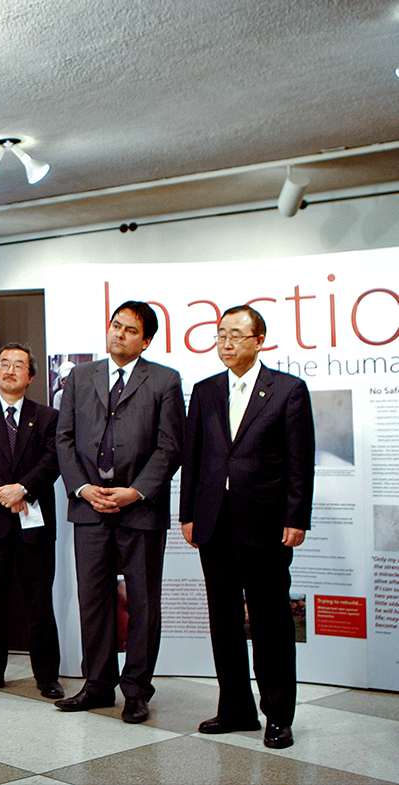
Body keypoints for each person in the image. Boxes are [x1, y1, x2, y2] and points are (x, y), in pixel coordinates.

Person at [180, 305, 314, 750]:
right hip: (213, 522)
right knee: (223, 619)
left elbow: (300, 462)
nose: (226, 342)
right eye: (221, 334)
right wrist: (187, 514)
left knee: (271, 621)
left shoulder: (288, 390)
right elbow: (193, 458)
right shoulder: (205, 390)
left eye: (236, 335)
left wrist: (296, 517)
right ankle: (235, 708)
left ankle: (278, 715)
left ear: (259, 341)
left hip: (266, 523)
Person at [55, 301, 184, 724]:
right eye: (115, 325)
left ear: (146, 341)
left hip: (140, 509)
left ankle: (136, 692)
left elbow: (170, 446)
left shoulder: (165, 380)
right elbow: (64, 439)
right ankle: (97, 686)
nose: (119, 334)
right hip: (89, 506)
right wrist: (82, 487)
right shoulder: (80, 377)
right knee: (93, 599)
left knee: (143, 603)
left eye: (130, 330)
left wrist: (136, 492)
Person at [0, 343, 63, 699]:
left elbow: (52, 462)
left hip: (34, 524)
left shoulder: (47, 417)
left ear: (30, 376)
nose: (9, 370)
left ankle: (47, 676)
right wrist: (4, 494)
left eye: (18, 365)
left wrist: (23, 489)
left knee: (40, 604)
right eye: (4, 363)